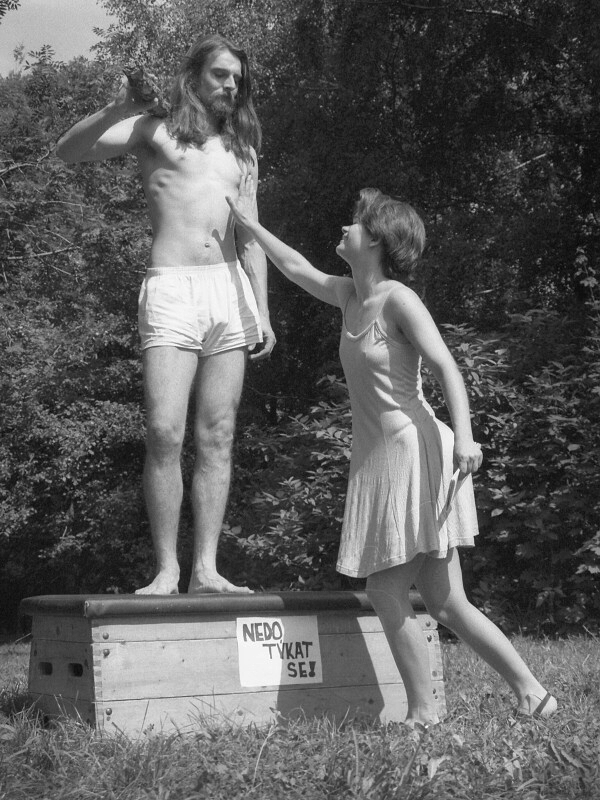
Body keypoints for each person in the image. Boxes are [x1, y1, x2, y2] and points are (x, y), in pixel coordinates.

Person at [226, 177, 557, 726]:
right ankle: (533, 693)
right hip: (380, 455)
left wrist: (466, 436)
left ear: (377, 240)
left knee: (385, 589)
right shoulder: (348, 294)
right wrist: (249, 225)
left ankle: (423, 712)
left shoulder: (400, 300)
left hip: (416, 450)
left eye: (355, 223)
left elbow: (447, 367)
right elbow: (295, 267)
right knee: (446, 601)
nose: (344, 227)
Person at [55, 34, 276, 595]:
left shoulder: (243, 149)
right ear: (195, 75)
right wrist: (119, 106)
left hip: (229, 290)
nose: (230, 86)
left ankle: (206, 569)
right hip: (172, 287)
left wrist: (263, 310)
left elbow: (251, 236)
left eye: (237, 78)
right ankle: (166, 570)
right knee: (163, 431)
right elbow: (68, 151)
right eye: (221, 75)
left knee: (218, 434)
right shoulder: (153, 129)